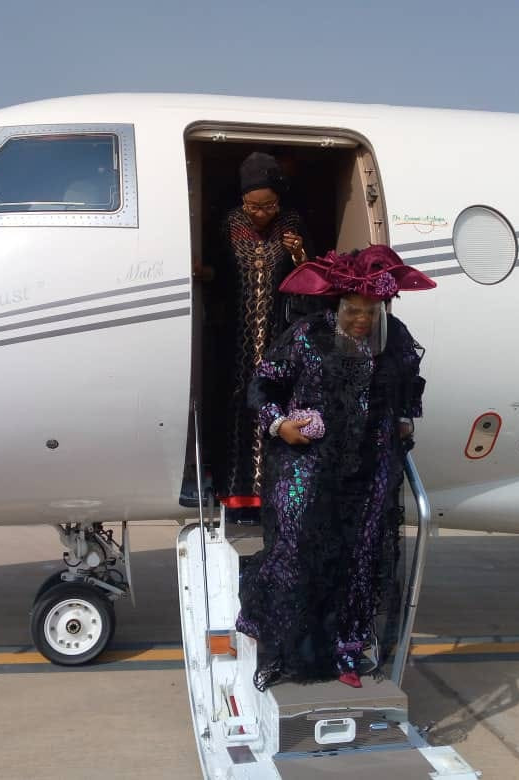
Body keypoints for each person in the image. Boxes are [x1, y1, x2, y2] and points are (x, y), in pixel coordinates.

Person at [235, 245, 435, 690]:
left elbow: (408, 386)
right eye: (353, 311)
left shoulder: (395, 337)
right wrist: (280, 424)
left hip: (371, 467)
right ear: (337, 306)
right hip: (308, 462)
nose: (362, 320)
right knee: (296, 550)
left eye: (371, 311)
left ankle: (346, 646)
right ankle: (280, 645)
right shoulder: (307, 336)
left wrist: (401, 422)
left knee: (360, 556)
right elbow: (262, 385)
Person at [213, 152, 311, 518]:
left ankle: (270, 494)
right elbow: (217, 268)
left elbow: (309, 276)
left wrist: (299, 253)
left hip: (275, 332)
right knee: (237, 409)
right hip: (234, 335)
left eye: (267, 205)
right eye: (253, 206)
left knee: (274, 403)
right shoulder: (230, 224)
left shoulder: (291, 223)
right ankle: (235, 496)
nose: (260, 213)